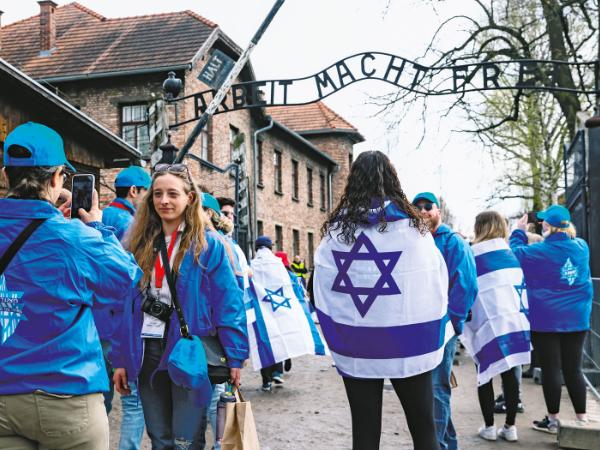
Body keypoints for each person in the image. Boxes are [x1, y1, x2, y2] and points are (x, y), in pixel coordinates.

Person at [0, 122, 142, 449]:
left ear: (7, 175)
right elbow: (127, 281)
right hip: (66, 393)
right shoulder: (77, 238)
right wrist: (96, 226)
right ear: (56, 178)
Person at [314, 151, 452, 450]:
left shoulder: (336, 233)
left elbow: (323, 287)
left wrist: (337, 329)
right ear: (393, 179)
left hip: (357, 343)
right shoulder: (414, 232)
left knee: (364, 429)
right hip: (409, 341)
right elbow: (434, 281)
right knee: (423, 426)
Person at [111, 163, 248, 449]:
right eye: (158, 194)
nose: (164, 201)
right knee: (159, 438)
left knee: (186, 440)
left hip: (189, 350)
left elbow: (229, 304)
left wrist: (235, 356)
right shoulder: (138, 245)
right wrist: (121, 360)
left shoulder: (208, 246)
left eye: (173, 194)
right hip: (147, 349)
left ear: (190, 198)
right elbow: (124, 309)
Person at [510, 205, 593, 434]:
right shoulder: (582, 247)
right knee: (574, 369)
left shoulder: (539, 251)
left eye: (545, 222)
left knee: (551, 369)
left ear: (550, 226)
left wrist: (519, 231)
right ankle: (582, 419)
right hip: (577, 319)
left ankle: (554, 420)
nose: (542, 225)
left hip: (546, 320)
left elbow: (515, 252)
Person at [412, 191, 478, 450]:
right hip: (421, 328)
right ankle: (447, 445)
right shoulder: (415, 241)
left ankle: (436, 445)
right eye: (418, 207)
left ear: (438, 210)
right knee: (434, 390)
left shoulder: (453, 243)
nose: (423, 211)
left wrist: (452, 325)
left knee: (435, 391)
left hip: (442, 329)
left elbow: (465, 286)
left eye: (429, 206)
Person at [461, 211, 531, 442]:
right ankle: (510, 427)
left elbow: (468, 288)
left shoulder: (471, 255)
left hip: (485, 324)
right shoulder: (511, 254)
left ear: (479, 227)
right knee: (511, 373)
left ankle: (489, 426)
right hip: (512, 321)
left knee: (485, 373)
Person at [98, 165, 151, 450]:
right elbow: (136, 277)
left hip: (93, 321)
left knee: (99, 397)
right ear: (134, 192)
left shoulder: (95, 216)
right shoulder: (132, 224)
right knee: (133, 399)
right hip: (121, 321)